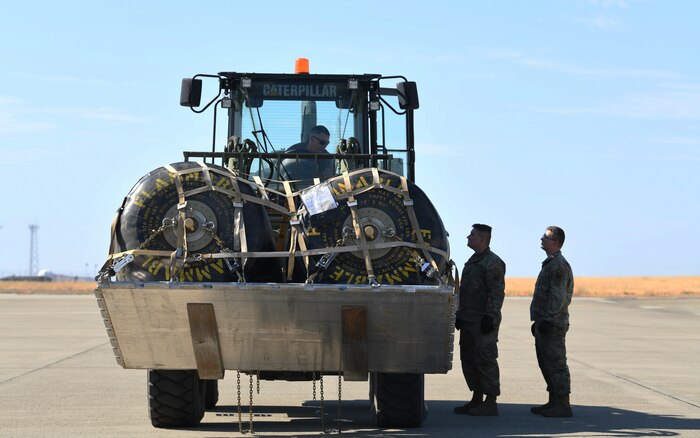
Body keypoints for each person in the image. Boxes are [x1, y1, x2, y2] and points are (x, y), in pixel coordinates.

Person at [453, 224, 506, 416]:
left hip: (483, 321)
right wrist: (459, 315)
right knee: (468, 359)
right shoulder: (473, 261)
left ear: (482, 239)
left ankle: (490, 401)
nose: (468, 237)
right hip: (468, 319)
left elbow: (496, 292)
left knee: (485, 359)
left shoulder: (493, 263)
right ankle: (476, 398)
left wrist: (490, 316)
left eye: (472, 235)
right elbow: (464, 292)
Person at [530, 225, 574, 417]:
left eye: (545, 237)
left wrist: (547, 320)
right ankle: (554, 401)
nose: (541, 239)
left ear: (555, 242)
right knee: (546, 362)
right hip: (545, 322)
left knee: (556, 363)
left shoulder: (558, 266)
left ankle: (563, 404)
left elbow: (558, 297)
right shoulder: (550, 263)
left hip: (553, 324)